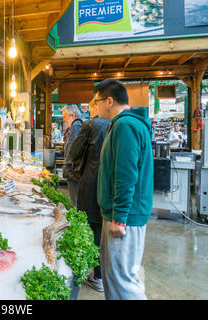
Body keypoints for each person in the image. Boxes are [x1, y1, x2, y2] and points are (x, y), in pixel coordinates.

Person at [95, 79, 153, 300]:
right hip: (123, 214)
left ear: (109, 101)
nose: (95, 106)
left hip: (124, 218)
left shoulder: (125, 125)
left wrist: (119, 217)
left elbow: (126, 174)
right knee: (116, 277)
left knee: (123, 281)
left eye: (97, 101)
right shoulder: (123, 124)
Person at [68, 98, 110, 292]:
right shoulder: (115, 124)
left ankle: (96, 275)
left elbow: (74, 153)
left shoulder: (91, 124)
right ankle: (102, 273)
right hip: (108, 183)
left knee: (91, 226)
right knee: (102, 228)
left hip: (91, 181)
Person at [62, 105, 83, 207]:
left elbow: (72, 149)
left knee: (74, 202)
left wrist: (67, 169)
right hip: (74, 170)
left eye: (65, 116)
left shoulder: (76, 126)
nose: (64, 119)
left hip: (73, 171)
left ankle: (76, 222)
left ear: (72, 115)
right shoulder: (76, 126)